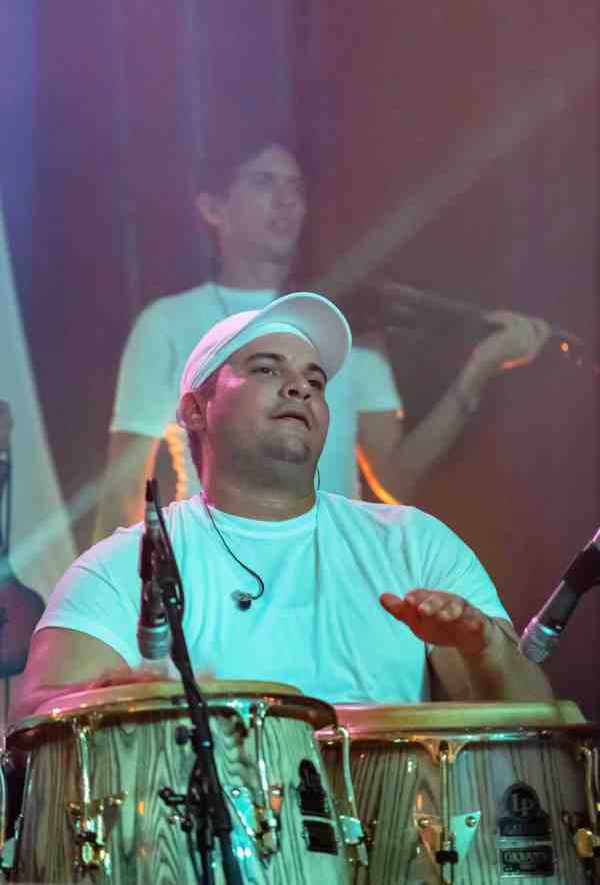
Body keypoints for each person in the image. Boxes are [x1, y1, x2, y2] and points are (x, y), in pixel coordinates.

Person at [11, 292, 553, 724]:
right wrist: (115, 699)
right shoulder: (120, 568)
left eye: (314, 380)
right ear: (196, 410)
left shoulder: (415, 544)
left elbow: (537, 724)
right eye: (267, 369)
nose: (299, 387)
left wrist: (485, 649)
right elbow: (32, 718)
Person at [93, 131, 551, 539]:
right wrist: (117, 595)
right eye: (263, 182)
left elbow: (396, 480)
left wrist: (478, 370)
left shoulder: (343, 322)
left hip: (335, 573)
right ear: (213, 207)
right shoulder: (166, 323)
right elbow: (122, 495)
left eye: (295, 187)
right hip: (214, 570)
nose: (286, 201)